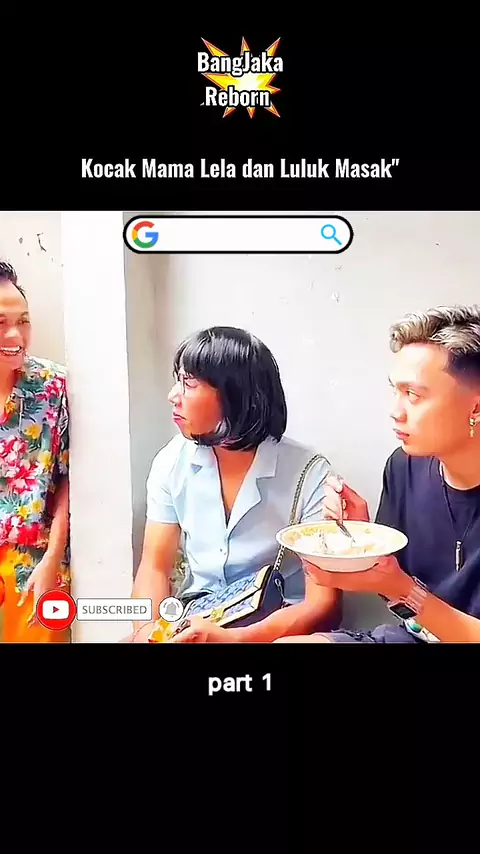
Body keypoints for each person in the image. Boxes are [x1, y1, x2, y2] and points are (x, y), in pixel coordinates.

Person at [274, 303, 480, 643]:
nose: (395, 411)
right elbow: (399, 600)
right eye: (394, 391)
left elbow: (404, 591)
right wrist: (363, 547)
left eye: (413, 395)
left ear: (476, 406)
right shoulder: (404, 466)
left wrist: (402, 588)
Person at [129, 325, 342, 643]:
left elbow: (323, 605)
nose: (173, 396)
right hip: (196, 618)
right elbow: (155, 567)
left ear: (235, 397)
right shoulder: (172, 461)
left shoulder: (309, 474)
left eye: (189, 384)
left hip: (276, 628)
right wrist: (148, 634)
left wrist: (234, 639)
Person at [0, 261, 70, 644]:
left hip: (32, 565)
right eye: (1, 323)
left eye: (23, 321)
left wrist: (52, 559)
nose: (15, 335)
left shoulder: (53, 387)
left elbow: (68, 480)